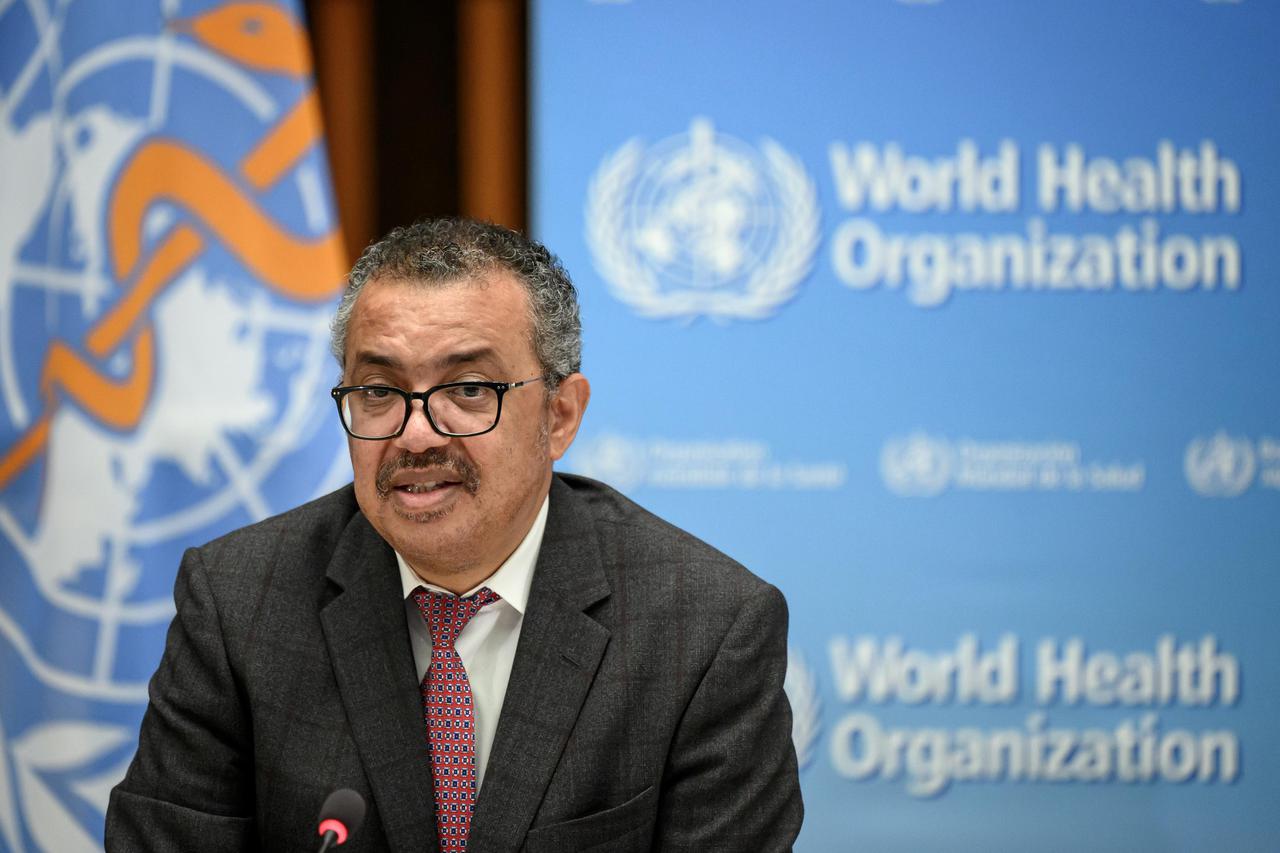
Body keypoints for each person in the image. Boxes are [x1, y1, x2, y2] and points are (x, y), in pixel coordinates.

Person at [105, 219, 802, 852]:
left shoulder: (706, 630)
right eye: (378, 391)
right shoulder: (238, 601)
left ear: (559, 415)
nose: (415, 433)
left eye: (468, 389)